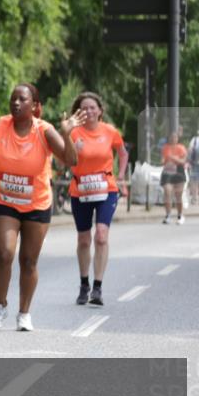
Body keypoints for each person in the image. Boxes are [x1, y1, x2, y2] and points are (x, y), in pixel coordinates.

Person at [0, 83, 83, 332]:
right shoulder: (0, 127)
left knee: (28, 261)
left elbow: (71, 160)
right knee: (4, 254)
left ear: (35, 106)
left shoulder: (44, 131)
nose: (16, 103)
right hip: (5, 201)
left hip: (37, 204)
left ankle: (24, 313)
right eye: (13, 99)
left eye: (22, 99)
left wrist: (67, 134)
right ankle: (0, 305)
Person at [67, 92, 128, 307]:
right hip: (80, 191)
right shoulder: (73, 132)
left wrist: (120, 176)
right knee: (84, 239)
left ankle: (98, 287)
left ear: (100, 111)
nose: (89, 111)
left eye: (93, 107)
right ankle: (84, 284)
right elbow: (62, 159)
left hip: (106, 190)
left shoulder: (110, 131)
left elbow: (122, 152)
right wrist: (73, 149)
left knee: (101, 236)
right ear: (79, 112)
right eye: (84, 108)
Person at [160, 131, 187, 224]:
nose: (173, 139)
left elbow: (183, 161)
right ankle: (168, 215)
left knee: (178, 195)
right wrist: (163, 161)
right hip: (167, 172)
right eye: (171, 137)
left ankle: (180, 215)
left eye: (174, 137)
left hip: (179, 172)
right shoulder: (165, 148)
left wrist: (173, 158)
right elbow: (163, 159)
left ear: (177, 139)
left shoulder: (181, 148)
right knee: (167, 192)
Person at [187, 125, 199, 206]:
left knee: (194, 182)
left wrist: (188, 161)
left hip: (194, 163)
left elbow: (190, 150)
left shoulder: (194, 139)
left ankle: (194, 199)